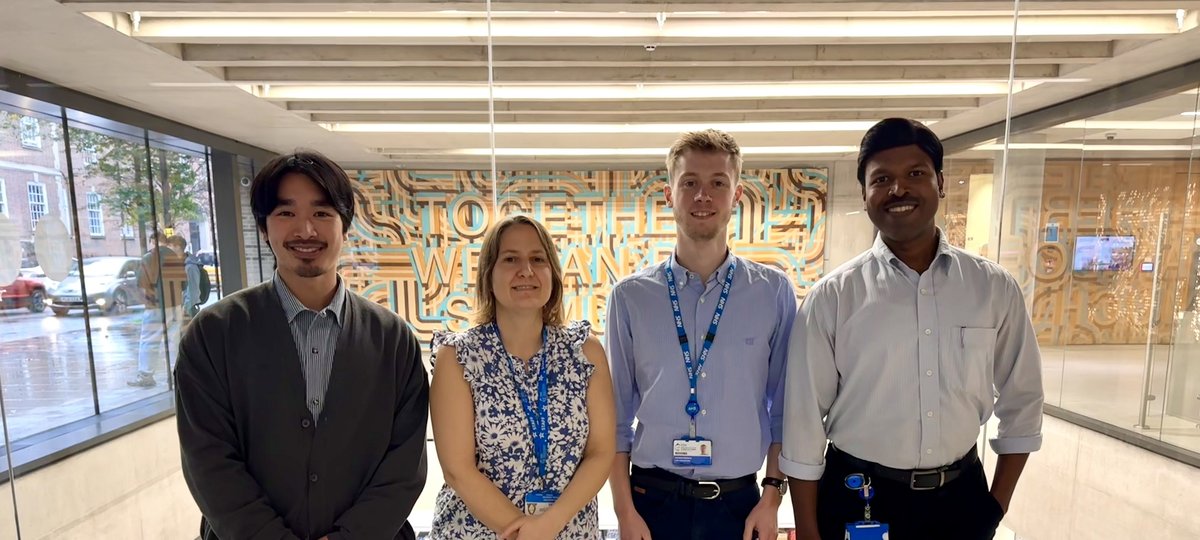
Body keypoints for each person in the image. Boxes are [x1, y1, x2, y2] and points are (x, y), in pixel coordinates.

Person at [781, 118, 1044, 540]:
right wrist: (810, 532)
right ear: (866, 196)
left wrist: (995, 506)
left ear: (940, 183)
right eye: (881, 179)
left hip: (962, 500)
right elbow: (803, 424)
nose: (898, 189)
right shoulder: (833, 298)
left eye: (915, 174)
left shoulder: (992, 288)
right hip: (858, 496)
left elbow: (1023, 401)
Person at [174, 150, 429, 540]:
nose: (306, 230)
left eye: (322, 213)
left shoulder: (392, 339)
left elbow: (405, 464)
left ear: (345, 226)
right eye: (286, 213)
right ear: (264, 228)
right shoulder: (213, 334)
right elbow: (208, 460)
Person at [606, 129, 798, 540]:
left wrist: (773, 498)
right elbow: (615, 419)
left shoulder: (773, 292)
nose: (703, 196)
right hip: (651, 503)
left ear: (737, 195)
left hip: (741, 507)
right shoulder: (630, 298)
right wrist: (624, 512)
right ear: (669, 194)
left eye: (717, 183)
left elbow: (785, 409)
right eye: (689, 182)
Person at [429, 215, 616, 540]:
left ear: (553, 275)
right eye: (511, 259)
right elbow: (459, 470)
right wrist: (525, 533)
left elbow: (601, 452)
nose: (526, 271)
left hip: (569, 530)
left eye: (537, 259)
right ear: (488, 275)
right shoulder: (458, 357)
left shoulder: (585, 351)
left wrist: (549, 524)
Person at [128, 231, 186, 387]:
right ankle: (177, 374)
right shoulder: (175, 257)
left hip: (156, 306)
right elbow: (183, 284)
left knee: (149, 341)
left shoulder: (149, 258)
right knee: (174, 340)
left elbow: (142, 284)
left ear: (152, 242)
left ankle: (146, 375)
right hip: (175, 304)